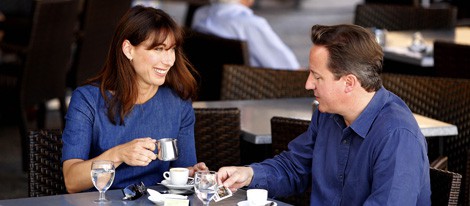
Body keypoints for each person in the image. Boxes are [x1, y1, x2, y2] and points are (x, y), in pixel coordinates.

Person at [217, 24, 431, 205]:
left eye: (317, 77)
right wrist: (249, 175)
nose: (308, 84)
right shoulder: (327, 113)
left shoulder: (398, 136)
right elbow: (295, 167)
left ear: (349, 83)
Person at [62, 6, 208, 193]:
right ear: (128, 49)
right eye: (158, 49)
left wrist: (192, 174)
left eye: (172, 50)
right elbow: (72, 182)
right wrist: (119, 154)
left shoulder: (178, 101)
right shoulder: (87, 100)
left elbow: (183, 169)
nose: (169, 60)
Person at [191, 0, 301, 70]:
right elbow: (290, 69)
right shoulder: (250, 25)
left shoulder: (200, 15)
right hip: (256, 95)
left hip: (209, 89)